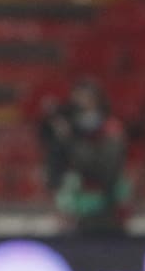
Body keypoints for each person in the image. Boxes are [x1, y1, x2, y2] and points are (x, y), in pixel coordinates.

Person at [38, 78, 130, 234]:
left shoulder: (110, 130)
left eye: (84, 99)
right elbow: (57, 167)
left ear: (96, 100)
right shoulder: (72, 127)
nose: (78, 104)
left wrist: (70, 140)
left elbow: (104, 170)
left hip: (104, 210)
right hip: (73, 210)